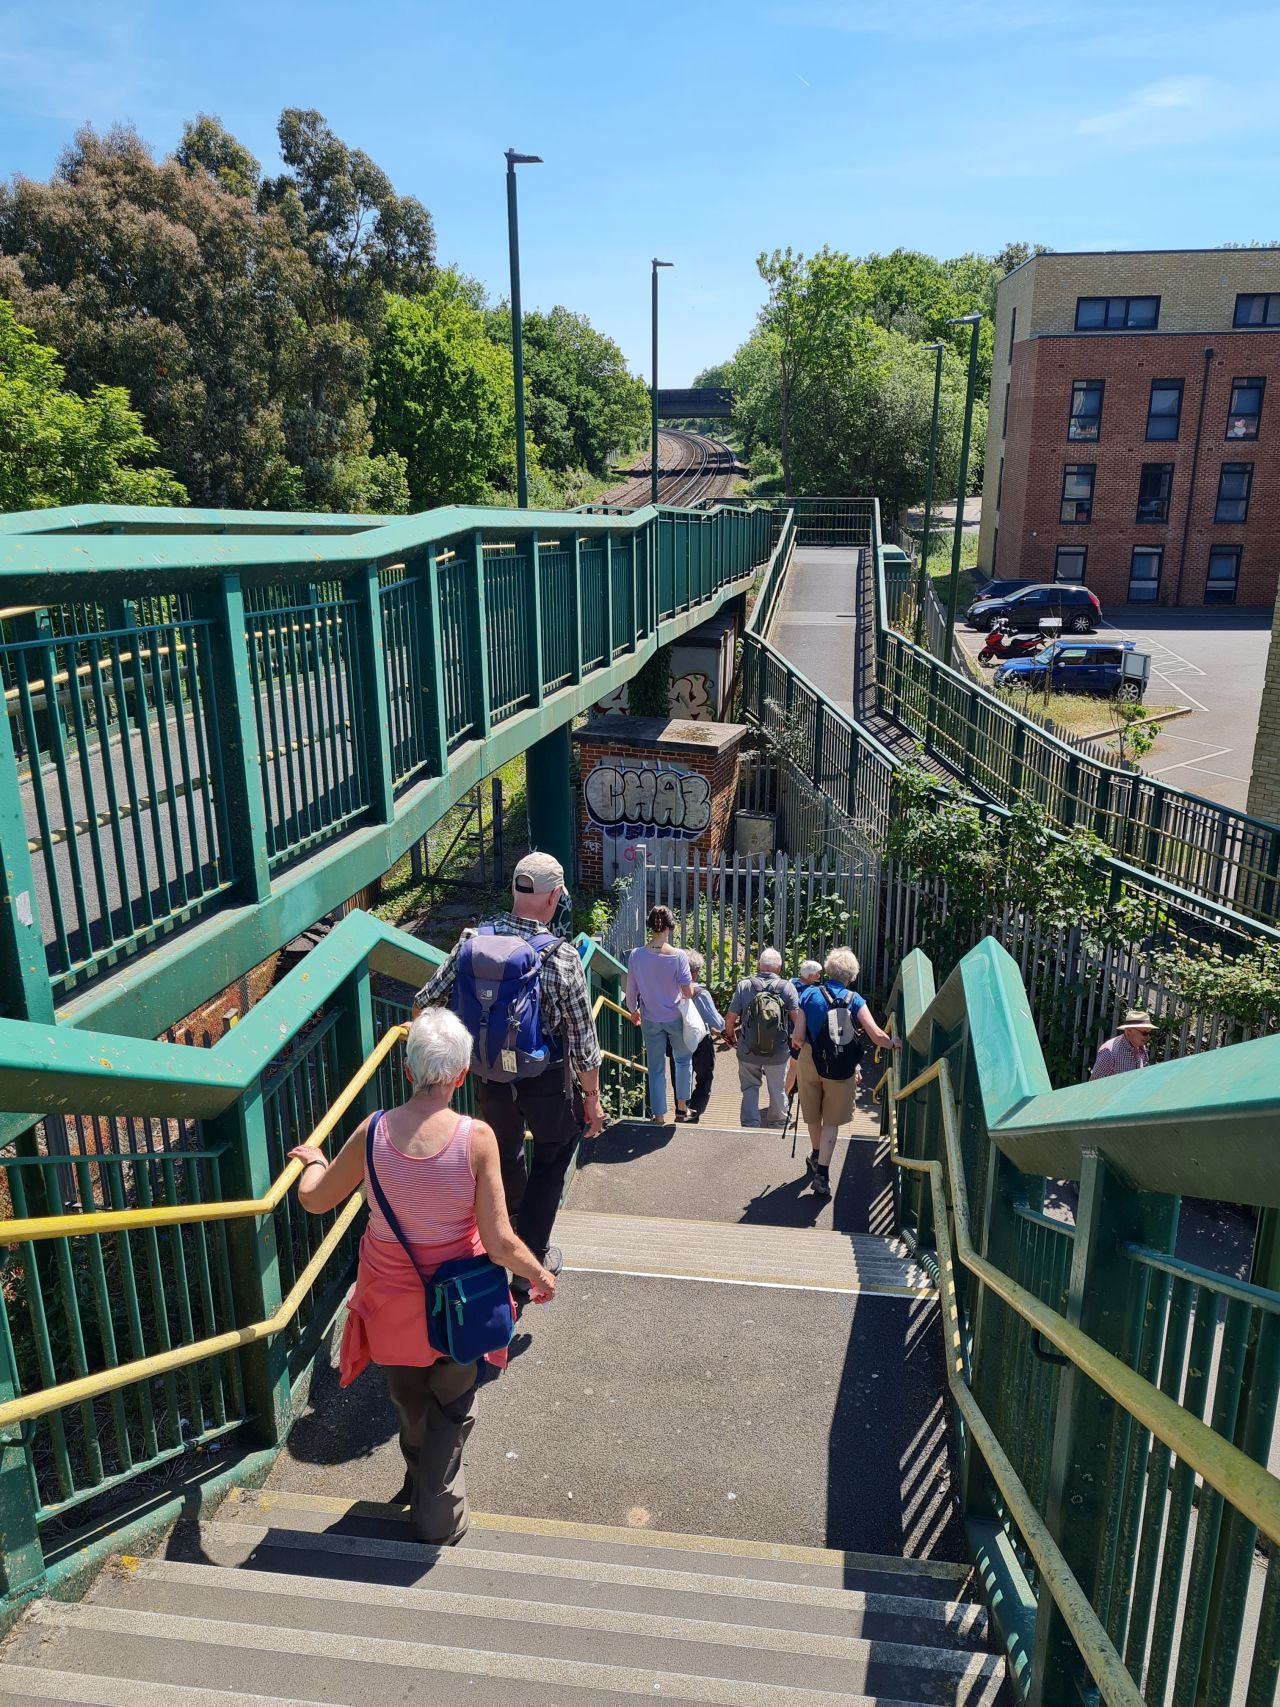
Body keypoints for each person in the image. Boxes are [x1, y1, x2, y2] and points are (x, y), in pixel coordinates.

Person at [288, 1008, 556, 1546]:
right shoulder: (476, 1138)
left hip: (390, 1302)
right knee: (452, 1407)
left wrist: (313, 1161)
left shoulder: (373, 1133)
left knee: (408, 1398)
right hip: (461, 1302)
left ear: (408, 1071)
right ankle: (437, 1513)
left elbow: (315, 1199)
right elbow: (499, 1237)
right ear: (461, 1076)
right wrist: (538, 1275)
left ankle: (417, 1479)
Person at [414, 852, 604, 1297]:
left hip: (485, 1075)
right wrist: (591, 1099)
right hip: (544, 1079)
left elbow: (426, 1002)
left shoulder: (470, 941)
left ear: (516, 891)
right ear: (555, 896)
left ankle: (513, 1225)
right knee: (555, 1151)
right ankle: (528, 1259)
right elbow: (583, 1041)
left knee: (504, 1151)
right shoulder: (560, 957)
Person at [793, 947, 901, 1200]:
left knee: (813, 1114)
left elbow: (797, 1037)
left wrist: (804, 1043)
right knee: (831, 1120)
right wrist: (893, 1043)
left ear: (827, 970)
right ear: (851, 975)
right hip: (841, 1066)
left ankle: (815, 1153)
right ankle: (823, 1172)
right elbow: (876, 1035)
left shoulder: (809, 994)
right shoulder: (855, 999)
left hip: (810, 1060)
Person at [626, 905, 694, 1123]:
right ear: (670, 926)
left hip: (649, 1017)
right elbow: (687, 991)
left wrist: (633, 1010)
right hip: (674, 1016)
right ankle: (682, 1109)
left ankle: (658, 1115)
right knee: (682, 1060)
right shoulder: (678, 956)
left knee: (655, 1067)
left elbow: (631, 992)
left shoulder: (636, 955)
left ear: (650, 925)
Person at [724, 948, 805, 1128]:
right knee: (777, 1088)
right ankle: (777, 1122)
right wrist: (799, 1042)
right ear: (779, 968)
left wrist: (730, 1037)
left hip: (748, 1048)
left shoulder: (745, 986)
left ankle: (750, 1123)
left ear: (759, 965)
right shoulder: (787, 987)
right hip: (778, 1050)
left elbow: (730, 1018)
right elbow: (796, 1019)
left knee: (749, 1087)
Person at [667, 948, 723, 1124]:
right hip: (699, 1041)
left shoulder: (666, 991)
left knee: (679, 1076)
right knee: (705, 1077)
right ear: (695, 973)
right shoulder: (700, 994)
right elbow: (718, 1023)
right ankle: (694, 1110)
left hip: (674, 1038)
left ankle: (680, 1110)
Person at [1090, 1009, 1155, 1080]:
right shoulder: (1109, 1051)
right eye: (1144, 1033)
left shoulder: (1141, 1047)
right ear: (1129, 1030)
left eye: (1149, 1033)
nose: (1148, 1037)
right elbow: (1093, 1084)